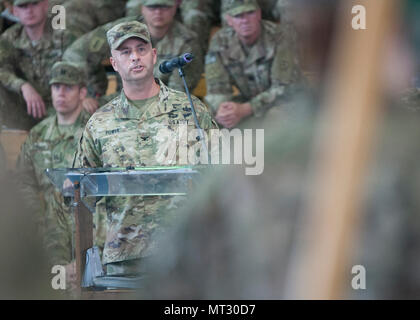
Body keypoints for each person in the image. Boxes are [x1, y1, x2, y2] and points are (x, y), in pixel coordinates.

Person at [75, 21, 216, 275]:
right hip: (125, 257)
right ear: (114, 63)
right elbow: (80, 192)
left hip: (184, 252)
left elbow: (219, 173)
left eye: (141, 49)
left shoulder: (190, 110)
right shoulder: (99, 123)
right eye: (125, 52)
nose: (135, 57)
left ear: (153, 56)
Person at [64, 0, 203, 113]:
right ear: (142, 8)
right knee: (80, 110)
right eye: (152, 7)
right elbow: (75, 53)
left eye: (164, 7)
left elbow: (177, 93)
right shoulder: (124, 30)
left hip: (163, 103)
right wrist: (92, 92)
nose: (158, 12)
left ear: (175, 7)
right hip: (122, 97)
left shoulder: (187, 42)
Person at [16, 61, 90, 268]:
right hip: (48, 228)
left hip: (89, 224)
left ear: (82, 92)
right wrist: (36, 219)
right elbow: (23, 181)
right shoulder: (38, 134)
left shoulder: (94, 131)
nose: (61, 93)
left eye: (68, 87)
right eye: (56, 87)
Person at [204, 0, 301, 129]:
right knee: (213, 118)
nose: (245, 20)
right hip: (249, 100)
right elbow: (217, 89)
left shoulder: (280, 36)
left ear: (259, 14)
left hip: (290, 101)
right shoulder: (220, 41)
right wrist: (224, 109)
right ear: (229, 20)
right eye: (238, 16)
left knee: (275, 117)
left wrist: (246, 108)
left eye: (250, 13)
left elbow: (283, 88)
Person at [0, 0, 82, 130]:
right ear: (14, 11)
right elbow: (2, 69)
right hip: (25, 106)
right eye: (23, 6)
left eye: (34, 4)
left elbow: (83, 69)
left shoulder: (64, 36)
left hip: (60, 105)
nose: (29, 10)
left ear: (45, 5)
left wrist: (88, 97)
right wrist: (23, 86)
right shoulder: (9, 38)